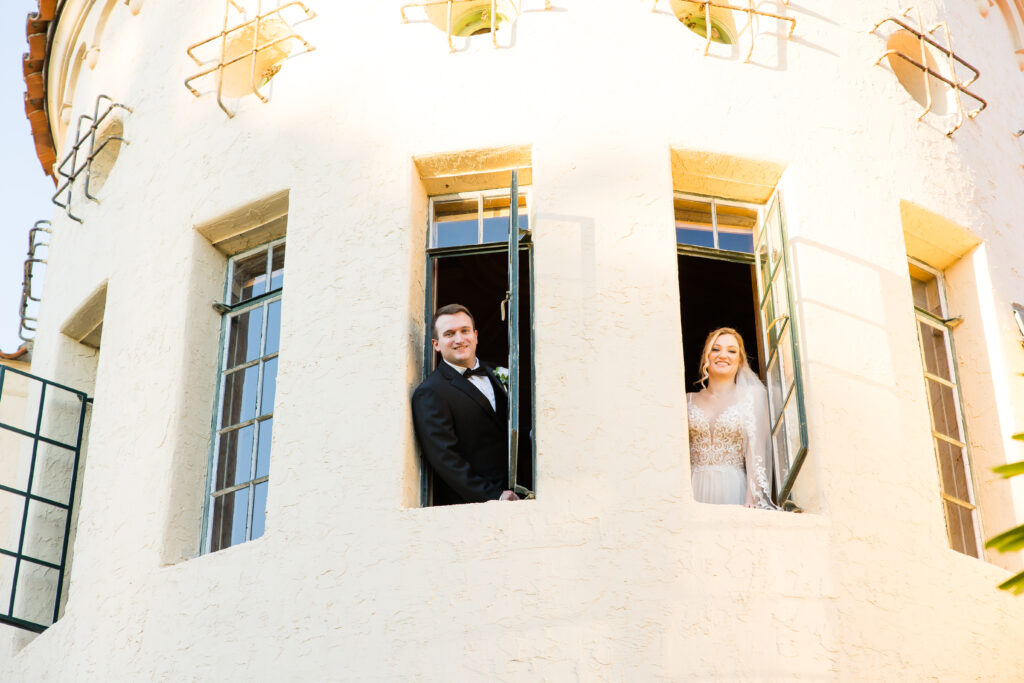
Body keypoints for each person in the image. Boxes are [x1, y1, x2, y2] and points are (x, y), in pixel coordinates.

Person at [411, 304, 520, 505]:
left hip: (524, 494)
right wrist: (493, 495)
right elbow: (446, 459)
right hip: (475, 506)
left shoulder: (501, 373)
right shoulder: (430, 392)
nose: (459, 339)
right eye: (449, 334)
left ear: (475, 336)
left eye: (465, 331)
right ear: (436, 344)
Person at [686, 327, 777, 509]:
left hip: (734, 487)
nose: (723, 355)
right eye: (716, 349)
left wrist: (752, 498)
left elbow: (756, 451)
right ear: (707, 356)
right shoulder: (687, 399)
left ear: (740, 360)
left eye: (732, 351)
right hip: (693, 488)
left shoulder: (753, 396)